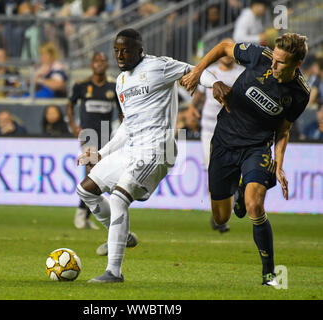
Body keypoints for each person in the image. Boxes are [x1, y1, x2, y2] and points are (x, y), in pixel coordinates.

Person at [75, 28, 215, 283]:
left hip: (157, 147)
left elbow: (194, 71)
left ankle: (113, 272)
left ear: (139, 50)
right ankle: (122, 235)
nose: (120, 55)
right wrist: (101, 153)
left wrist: (215, 84)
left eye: (125, 50)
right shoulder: (121, 81)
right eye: (116, 50)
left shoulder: (158, 67)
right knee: (86, 190)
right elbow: (128, 125)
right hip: (132, 148)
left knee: (118, 199)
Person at [181, 33, 310, 286]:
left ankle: (269, 275)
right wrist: (199, 72)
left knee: (254, 205)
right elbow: (224, 46)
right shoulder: (260, 57)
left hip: (256, 147)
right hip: (224, 142)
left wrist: (280, 166)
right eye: (274, 59)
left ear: (298, 64)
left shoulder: (300, 94)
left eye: (281, 63)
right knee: (221, 218)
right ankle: (239, 190)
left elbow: (284, 130)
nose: (273, 65)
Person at [186, 42, 245, 233]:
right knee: (213, 170)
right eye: (224, 53)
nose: (227, 56)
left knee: (233, 166)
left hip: (233, 128)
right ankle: (218, 214)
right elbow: (198, 97)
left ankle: (234, 195)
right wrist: (192, 109)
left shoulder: (241, 73)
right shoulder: (209, 72)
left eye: (230, 53)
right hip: (209, 128)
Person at [67, 52, 121, 234]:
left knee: (99, 173)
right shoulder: (81, 85)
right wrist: (74, 125)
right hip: (88, 135)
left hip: (106, 135)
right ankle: (82, 213)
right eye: (97, 60)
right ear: (91, 64)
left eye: (103, 60)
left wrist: (124, 130)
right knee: (93, 169)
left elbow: (121, 110)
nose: (100, 63)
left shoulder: (113, 86)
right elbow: (70, 104)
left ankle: (84, 213)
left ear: (107, 64)